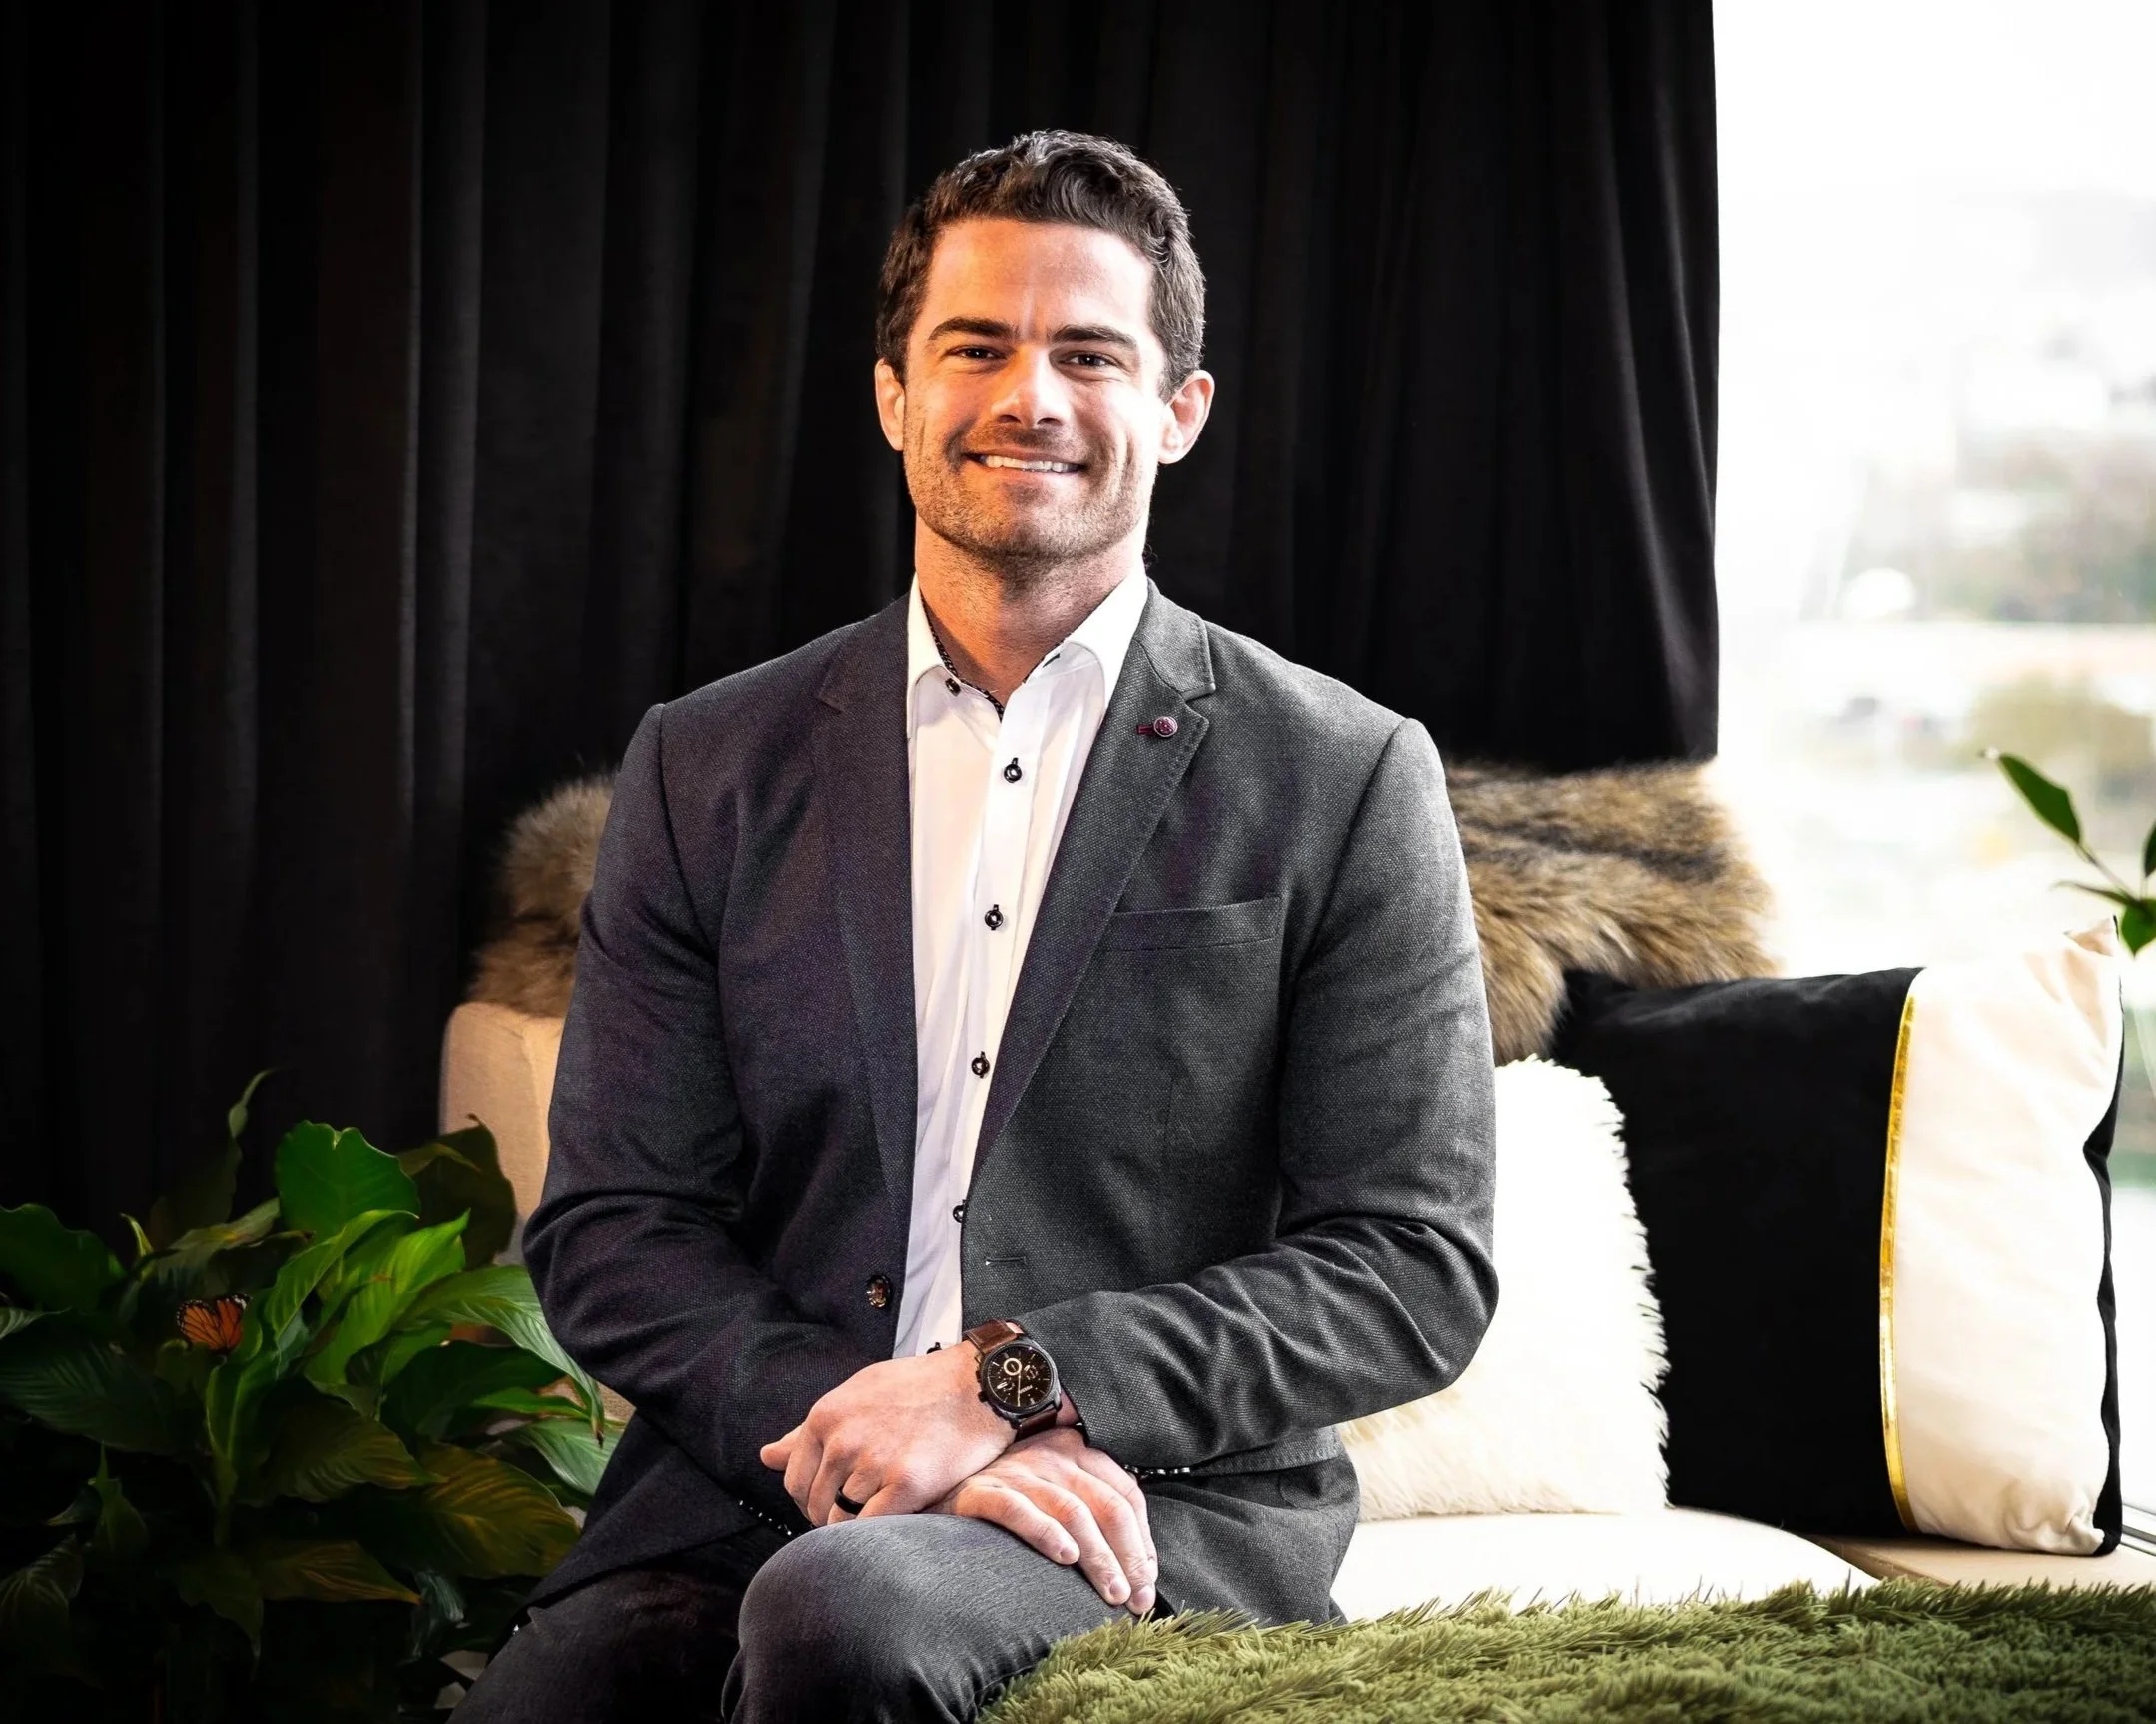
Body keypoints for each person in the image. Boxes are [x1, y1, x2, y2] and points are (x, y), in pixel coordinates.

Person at [458, 129, 1497, 1724]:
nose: (1031, 396)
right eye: (976, 345)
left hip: (1154, 1501)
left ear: (1178, 409)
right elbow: (614, 1226)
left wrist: (1009, 1388)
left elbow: (1408, 1263)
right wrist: (878, 1430)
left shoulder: (1345, 774)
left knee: (844, 1612)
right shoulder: (707, 759)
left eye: (1090, 352)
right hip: (745, 1490)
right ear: (893, 395)